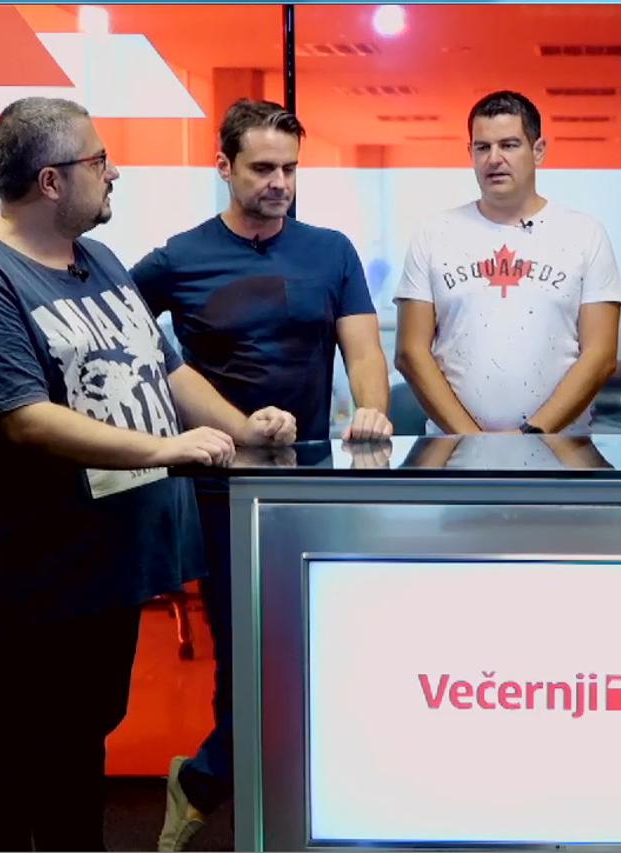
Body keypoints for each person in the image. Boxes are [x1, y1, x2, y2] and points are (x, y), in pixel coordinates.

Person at [0, 97, 296, 851]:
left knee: (78, 748)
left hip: (109, 568)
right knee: (9, 760)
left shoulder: (97, 261)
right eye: (99, 160)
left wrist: (240, 427)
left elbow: (165, 368)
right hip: (33, 577)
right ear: (52, 180)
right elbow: (23, 418)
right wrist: (168, 450)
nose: (115, 172)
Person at [129, 98, 393, 851]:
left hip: (311, 483)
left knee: (315, 644)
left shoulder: (330, 251)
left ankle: (213, 781)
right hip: (221, 487)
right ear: (224, 167)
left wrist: (371, 412)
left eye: (290, 168)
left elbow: (364, 352)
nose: (280, 182)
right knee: (244, 654)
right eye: (263, 168)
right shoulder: (178, 258)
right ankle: (246, 805)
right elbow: (123, 342)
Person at [394, 90, 621, 435]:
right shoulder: (433, 234)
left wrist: (529, 435)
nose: (494, 159)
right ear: (470, 153)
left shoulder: (584, 234)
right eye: (482, 148)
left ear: (538, 150)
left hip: (559, 450)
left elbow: (600, 355)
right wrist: (473, 441)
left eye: (509, 145)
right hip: (454, 450)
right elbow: (410, 353)